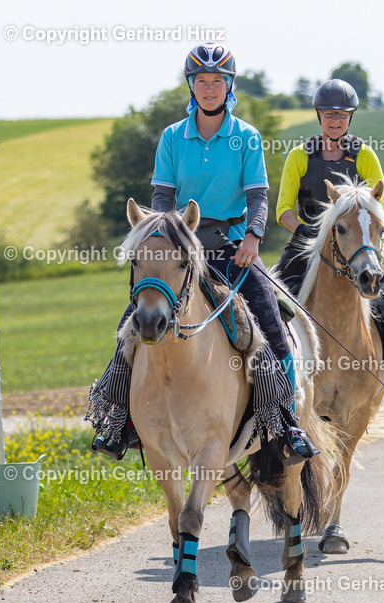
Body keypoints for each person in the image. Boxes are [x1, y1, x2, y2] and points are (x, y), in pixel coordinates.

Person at [88, 43, 319, 461]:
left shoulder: (246, 137)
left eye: (217, 81)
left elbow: (259, 198)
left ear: (228, 86)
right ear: (191, 87)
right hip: (182, 253)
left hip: (234, 250)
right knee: (130, 331)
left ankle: (286, 422)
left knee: (272, 332)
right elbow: (162, 197)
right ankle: (120, 423)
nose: (209, 88)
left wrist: (252, 237)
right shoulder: (173, 137)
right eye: (201, 81)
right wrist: (159, 241)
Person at [274, 79, 384, 434]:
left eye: (342, 115)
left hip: (357, 251)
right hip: (308, 247)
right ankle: (271, 401)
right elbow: (284, 209)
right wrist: (312, 233)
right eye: (329, 114)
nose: (335, 120)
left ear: (350, 118)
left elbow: (381, 207)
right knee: (273, 310)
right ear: (318, 115)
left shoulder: (364, 155)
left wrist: (363, 238)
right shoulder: (299, 156)